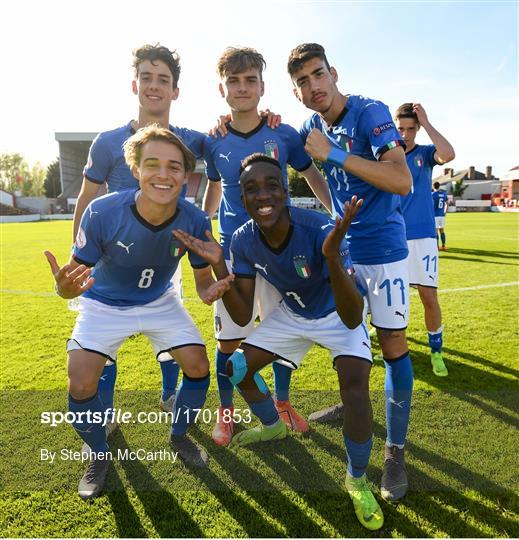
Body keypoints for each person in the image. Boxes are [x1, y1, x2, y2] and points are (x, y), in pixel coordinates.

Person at [175, 154, 383, 531]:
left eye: (272, 185)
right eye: (251, 189)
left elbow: (353, 317)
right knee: (234, 366)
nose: (263, 195)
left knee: (355, 389)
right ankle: (273, 424)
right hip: (293, 315)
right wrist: (220, 266)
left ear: (286, 191)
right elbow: (240, 317)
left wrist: (332, 257)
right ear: (241, 198)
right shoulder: (242, 239)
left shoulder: (320, 228)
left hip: (337, 314)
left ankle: (357, 478)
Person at [44, 125, 233, 498]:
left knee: (197, 367)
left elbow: (200, 285)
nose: (163, 175)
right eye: (153, 165)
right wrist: (64, 288)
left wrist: (210, 290)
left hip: (159, 301)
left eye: (174, 167)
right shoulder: (103, 211)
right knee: (80, 381)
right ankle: (98, 453)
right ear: (135, 170)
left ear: (185, 174)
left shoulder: (194, 219)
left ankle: (178, 437)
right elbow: (74, 276)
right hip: (104, 304)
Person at [287, 43, 414, 501]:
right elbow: (304, 168)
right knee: (347, 337)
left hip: (384, 253)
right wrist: (334, 216)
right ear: (296, 90)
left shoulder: (369, 113)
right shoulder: (308, 126)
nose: (313, 86)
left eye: (318, 75)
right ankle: (351, 402)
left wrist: (336, 155)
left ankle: (395, 453)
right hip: (345, 252)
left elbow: (402, 180)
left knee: (392, 346)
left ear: (333, 73)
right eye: (302, 81)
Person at [202, 47, 332, 446]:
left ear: (262, 85)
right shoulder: (214, 139)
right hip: (233, 255)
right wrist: (198, 225)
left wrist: (340, 215)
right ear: (221, 87)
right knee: (230, 339)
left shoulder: (283, 132)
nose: (242, 88)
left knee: (279, 334)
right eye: (234, 81)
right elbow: (214, 187)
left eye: (250, 80)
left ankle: (281, 403)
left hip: (282, 254)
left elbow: (312, 175)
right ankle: (226, 415)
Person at [72, 44, 208, 418]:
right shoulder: (106, 141)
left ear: (175, 91)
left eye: (163, 79)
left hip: (165, 254)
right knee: (103, 345)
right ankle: (106, 413)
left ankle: (169, 396)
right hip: (110, 256)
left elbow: (229, 150)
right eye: (146, 77)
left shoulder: (190, 140)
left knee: (167, 336)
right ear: (135, 85)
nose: (154, 85)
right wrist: (79, 255)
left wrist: (205, 214)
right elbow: (87, 197)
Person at [395, 103, 455, 377]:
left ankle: (436, 352)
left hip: (423, 238)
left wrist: (428, 123)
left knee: (428, 297)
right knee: (397, 301)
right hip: (393, 237)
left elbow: (448, 154)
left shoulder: (425, 154)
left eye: (411, 128)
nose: (405, 134)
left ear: (417, 129)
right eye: (401, 128)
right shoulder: (385, 157)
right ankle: (400, 352)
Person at [432, 181, 449, 250]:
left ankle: (437, 246)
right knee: (442, 230)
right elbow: (447, 204)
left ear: (433, 186)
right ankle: (444, 245)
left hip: (435, 215)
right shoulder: (444, 194)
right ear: (439, 186)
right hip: (442, 215)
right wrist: (445, 212)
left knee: (435, 231)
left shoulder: (433, 194)